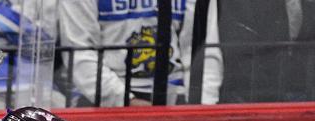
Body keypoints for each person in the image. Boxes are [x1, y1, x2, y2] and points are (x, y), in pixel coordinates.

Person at [58, 0, 222, 106]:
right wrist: (127, 101)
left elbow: (207, 51)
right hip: (101, 103)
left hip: (173, 98)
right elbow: (80, 53)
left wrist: (206, 109)